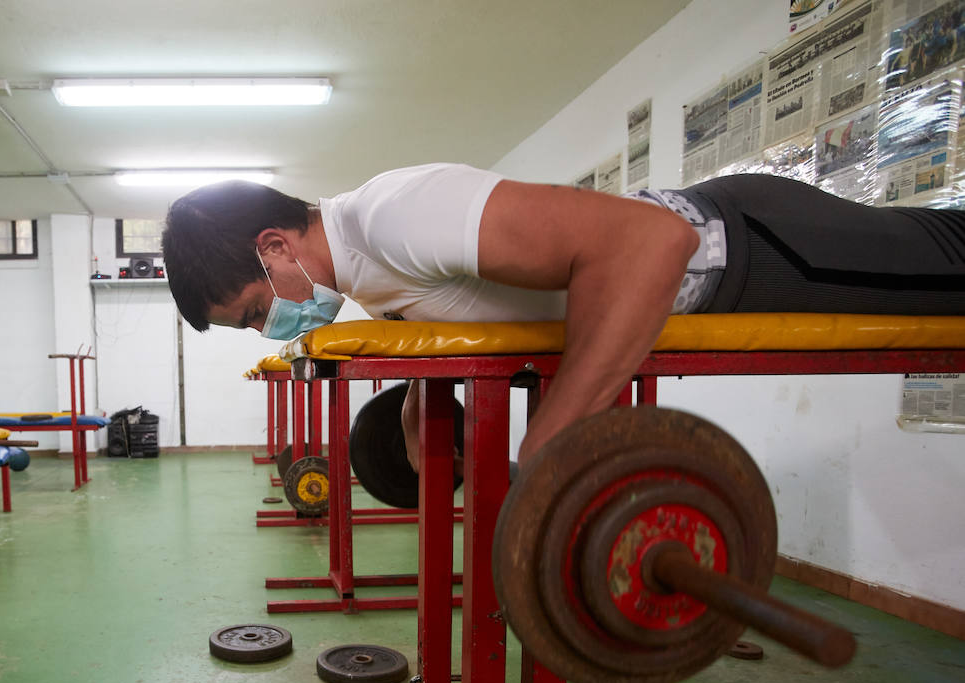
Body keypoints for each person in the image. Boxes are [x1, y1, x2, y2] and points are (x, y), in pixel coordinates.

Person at [161, 163, 965, 465]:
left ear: (274, 246)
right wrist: (421, 414)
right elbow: (469, 329)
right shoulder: (368, 275)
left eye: (258, 309)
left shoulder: (395, 214)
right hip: (749, 262)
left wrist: (551, 439)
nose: (273, 328)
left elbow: (654, 241)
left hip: (762, 250)